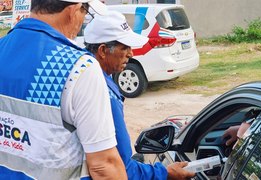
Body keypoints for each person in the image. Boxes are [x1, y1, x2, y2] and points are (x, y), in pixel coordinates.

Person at [0, 0, 127, 179]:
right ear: (73, 10)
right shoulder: (79, 67)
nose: (83, 20)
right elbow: (103, 165)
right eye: (86, 12)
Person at [84, 10, 195, 180]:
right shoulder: (103, 93)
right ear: (103, 50)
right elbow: (119, 167)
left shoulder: (84, 77)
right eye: (125, 48)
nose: (131, 53)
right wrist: (165, 172)